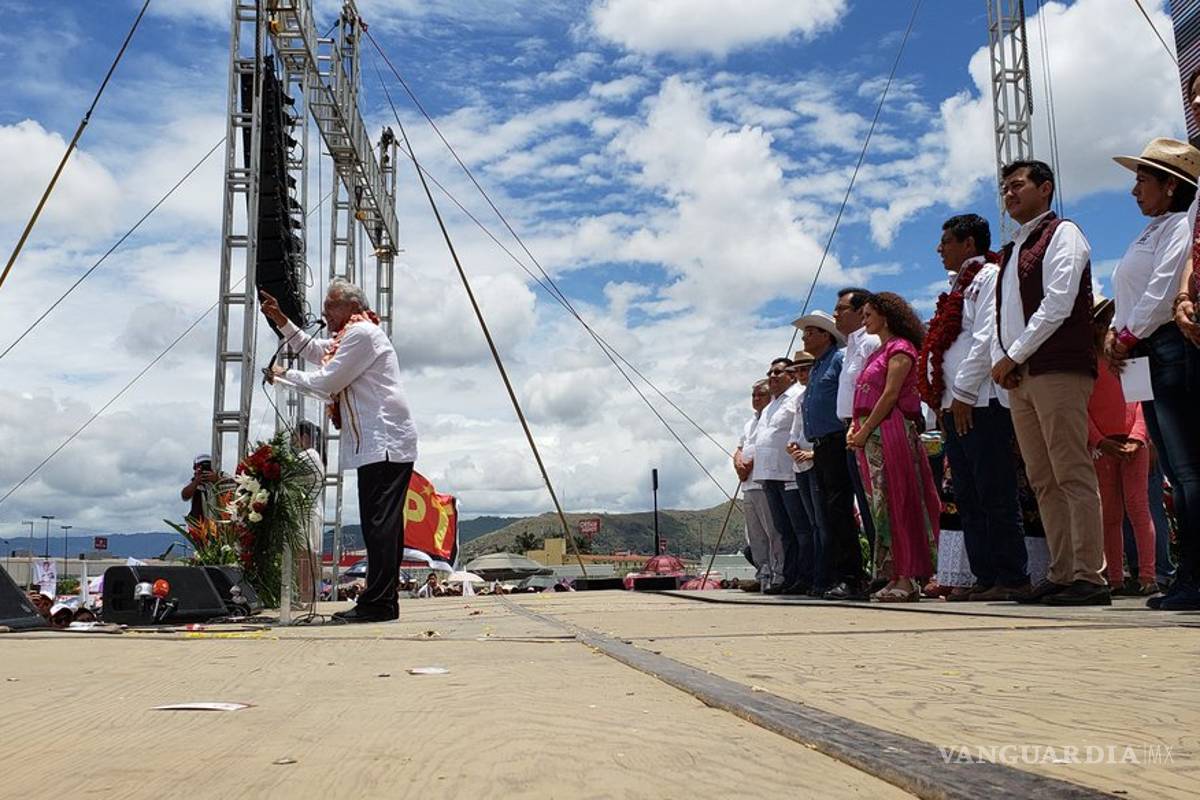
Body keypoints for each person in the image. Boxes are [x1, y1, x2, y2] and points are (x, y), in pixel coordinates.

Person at [261, 279, 418, 623]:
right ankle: (382, 601)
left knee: (380, 527)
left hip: (385, 443)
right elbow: (317, 350)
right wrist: (280, 319)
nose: (324, 313)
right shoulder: (353, 335)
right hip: (379, 445)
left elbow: (328, 380)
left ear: (351, 306)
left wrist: (284, 374)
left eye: (330, 306)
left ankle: (378, 603)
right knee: (381, 528)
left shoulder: (362, 334)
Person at [990, 160, 1106, 606]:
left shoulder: (1064, 234)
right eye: (1005, 189)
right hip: (1022, 376)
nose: (1009, 194)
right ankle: (1061, 572)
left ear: (1046, 189)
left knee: (1071, 471)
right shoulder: (1014, 249)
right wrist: (1006, 361)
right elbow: (1007, 317)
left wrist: (1013, 355)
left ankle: (1089, 576)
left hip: (1056, 368)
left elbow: (1058, 303)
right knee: (1042, 479)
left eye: (1017, 186)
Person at [1107, 137, 1200, 610]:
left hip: (1164, 346)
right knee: (1176, 472)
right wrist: (1118, 331)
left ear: (1171, 186)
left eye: (1142, 180)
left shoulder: (1181, 226)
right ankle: (1187, 575)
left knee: (1188, 472)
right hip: (1143, 348)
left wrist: (1126, 334)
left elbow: (1164, 287)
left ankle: (1193, 576)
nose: (1134, 190)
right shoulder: (1152, 229)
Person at [919, 214, 1028, 601]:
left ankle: (1011, 575)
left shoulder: (988, 277)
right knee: (968, 494)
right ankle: (985, 576)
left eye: (946, 241)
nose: (939, 248)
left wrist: (963, 393)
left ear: (968, 243)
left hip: (981, 401)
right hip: (955, 405)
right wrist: (943, 404)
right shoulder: (956, 288)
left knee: (994, 490)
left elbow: (984, 339)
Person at [846, 293, 940, 602]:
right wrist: (854, 428)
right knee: (880, 506)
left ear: (886, 315)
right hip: (868, 434)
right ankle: (894, 572)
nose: (865, 320)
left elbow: (889, 395)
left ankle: (908, 575)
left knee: (898, 499)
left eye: (869, 314)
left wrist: (866, 429)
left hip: (890, 430)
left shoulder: (901, 349)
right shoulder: (877, 352)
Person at [795, 311, 867, 600]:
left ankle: (851, 576)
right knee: (828, 513)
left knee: (839, 510)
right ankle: (838, 574)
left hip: (838, 439)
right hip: (822, 444)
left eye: (810, 332)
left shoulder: (838, 359)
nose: (805, 337)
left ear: (825, 335)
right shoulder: (817, 367)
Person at [1088, 296, 1156, 596]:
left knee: (1139, 508)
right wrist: (1099, 439)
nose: (1103, 325)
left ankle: (1148, 577)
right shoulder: (1086, 363)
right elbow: (1082, 408)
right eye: (1097, 320)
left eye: (1106, 318)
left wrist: (1138, 437)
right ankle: (1115, 577)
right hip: (1104, 446)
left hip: (1132, 443)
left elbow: (1141, 399)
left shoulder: (1126, 354)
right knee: (1110, 513)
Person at [750, 358, 813, 594]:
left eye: (778, 372)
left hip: (790, 473)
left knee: (800, 529)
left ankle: (805, 576)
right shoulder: (770, 406)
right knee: (783, 530)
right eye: (770, 372)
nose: (772, 376)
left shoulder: (797, 395)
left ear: (792, 374)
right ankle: (789, 576)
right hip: (769, 475)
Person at [834, 288, 880, 565]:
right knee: (864, 503)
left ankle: (889, 568)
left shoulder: (871, 343)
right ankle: (878, 568)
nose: (836, 314)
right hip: (850, 429)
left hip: (868, 427)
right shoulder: (850, 346)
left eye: (842, 309)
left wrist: (861, 426)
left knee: (875, 503)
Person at [734, 380, 782, 592]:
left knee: (772, 531)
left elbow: (765, 445)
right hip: (748, 484)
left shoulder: (772, 416)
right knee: (755, 535)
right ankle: (763, 572)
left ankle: (778, 573)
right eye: (753, 395)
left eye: (760, 395)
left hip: (764, 480)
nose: (756, 399)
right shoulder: (749, 423)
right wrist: (739, 463)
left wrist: (750, 463)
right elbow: (740, 447)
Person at [785, 351, 826, 593]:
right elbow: (796, 429)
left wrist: (812, 454)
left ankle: (822, 576)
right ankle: (814, 576)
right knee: (812, 524)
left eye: (805, 369)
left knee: (822, 523)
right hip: (799, 463)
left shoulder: (818, 393)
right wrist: (792, 445)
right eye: (798, 370)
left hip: (816, 459)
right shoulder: (801, 398)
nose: (802, 374)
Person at [293, 420, 325, 605]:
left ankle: (306, 598)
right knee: (307, 556)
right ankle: (308, 597)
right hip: (309, 512)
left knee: (304, 557)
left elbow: (288, 475)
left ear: (303, 436)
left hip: (306, 513)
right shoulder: (314, 455)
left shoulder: (308, 455)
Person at [180, 454, 227, 521]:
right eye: (201, 466)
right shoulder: (194, 481)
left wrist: (217, 480)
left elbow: (233, 488)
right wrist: (197, 481)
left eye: (207, 466)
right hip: (199, 524)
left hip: (219, 522)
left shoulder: (222, 477)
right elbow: (184, 496)